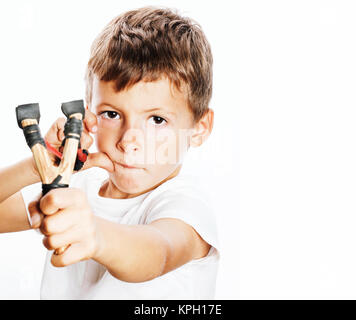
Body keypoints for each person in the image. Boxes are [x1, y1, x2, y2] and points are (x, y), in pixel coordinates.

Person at [0, 6, 219, 299]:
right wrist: (39, 165)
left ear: (200, 127)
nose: (129, 141)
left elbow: (159, 252)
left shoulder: (185, 205)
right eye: (112, 114)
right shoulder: (79, 183)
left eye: (157, 120)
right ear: (89, 110)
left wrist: (96, 235)